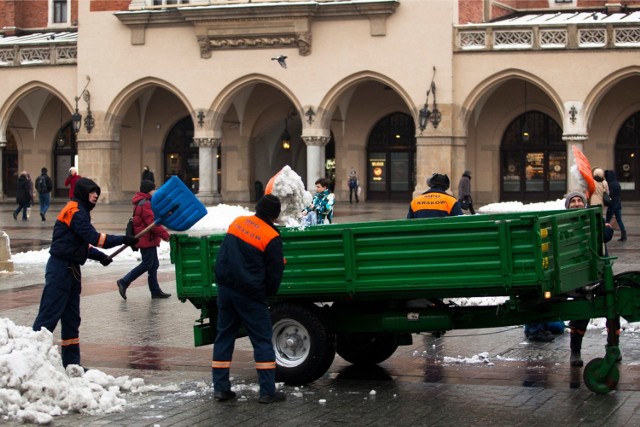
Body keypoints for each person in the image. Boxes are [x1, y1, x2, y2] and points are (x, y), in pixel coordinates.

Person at [32, 178, 138, 370]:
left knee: (72, 319)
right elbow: (94, 238)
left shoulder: (80, 211)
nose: (95, 195)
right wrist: (124, 239)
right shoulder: (75, 211)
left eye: (97, 192)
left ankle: (72, 364)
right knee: (48, 316)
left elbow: (80, 244)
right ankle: (31, 359)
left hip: (71, 270)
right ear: (82, 192)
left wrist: (101, 257)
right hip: (60, 269)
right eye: (92, 192)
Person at [212, 194, 286, 404]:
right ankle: (267, 392)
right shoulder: (271, 236)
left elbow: (224, 254)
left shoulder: (237, 223)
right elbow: (275, 273)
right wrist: (267, 292)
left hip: (226, 291)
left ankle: (220, 388)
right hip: (251, 296)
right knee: (262, 340)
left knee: (224, 337)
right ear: (275, 215)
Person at [564, 190, 617, 367]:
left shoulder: (594, 218)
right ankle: (575, 352)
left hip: (601, 273)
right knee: (580, 313)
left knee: (612, 310)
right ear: (568, 205)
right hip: (579, 275)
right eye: (573, 201)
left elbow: (606, 236)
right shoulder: (564, 224)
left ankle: (613, 348)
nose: (577, 203)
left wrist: (606, 228)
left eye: (580, 200)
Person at [116, 180, 171, 300]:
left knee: (153, 264)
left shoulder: (143, 201)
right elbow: (152, 223)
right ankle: (124, 281)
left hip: (148, 238)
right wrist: (165, 235)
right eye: (153, 189)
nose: (155, 191)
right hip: (147, 239)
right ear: (149, 190)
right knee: (147, 264)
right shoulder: (145, 203)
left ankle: (155, 291)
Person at [604, 170, 627, 242]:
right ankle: (624, 235)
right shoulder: (617, 183)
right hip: (618, 203)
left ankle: (604, 234)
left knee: (607, 220)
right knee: (619, 220)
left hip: (612, 204)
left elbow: (611, 195)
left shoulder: (610, 184)